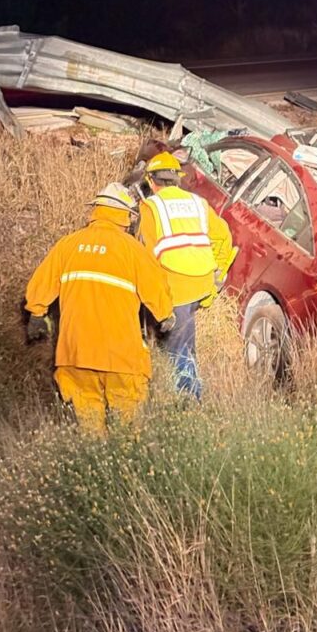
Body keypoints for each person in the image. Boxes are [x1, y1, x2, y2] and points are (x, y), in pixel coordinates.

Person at [24, 182, 175, 435]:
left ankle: (94, 465)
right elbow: (158, 292)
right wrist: (165, 316)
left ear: (95, 211)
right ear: (127, 216)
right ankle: (125, 471)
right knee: (129, 433)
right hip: (121, 358)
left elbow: (40, 285)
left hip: (75, 355)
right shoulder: (132, 250)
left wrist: (36, 314)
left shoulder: (68, 245)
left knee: (90, 431)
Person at [137, 152, 233, 400]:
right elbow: (223, 236)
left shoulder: (150, 207)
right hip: (201, 283)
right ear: (177, 179)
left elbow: (145, 254)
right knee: (185, 336)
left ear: (150, 181)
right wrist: (218, 271)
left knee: (177, 345)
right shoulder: (198, 203)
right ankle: (187, 381)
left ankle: (189, 398)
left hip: (175, 284)